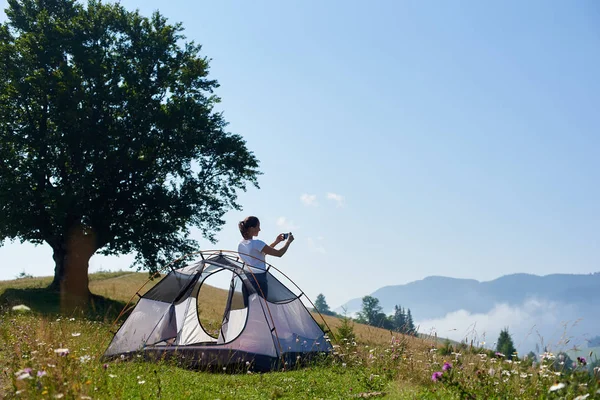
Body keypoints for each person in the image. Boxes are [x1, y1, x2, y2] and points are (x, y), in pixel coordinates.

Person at [238, 216, 294, 299]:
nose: (259, 229)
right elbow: (279, 253)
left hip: (246, 279)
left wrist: (276, 242)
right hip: (259, 280)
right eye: (258, 226)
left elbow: (262, 253)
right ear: (251, 228)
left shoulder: (241, 244)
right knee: (261, 308)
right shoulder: (257, 243)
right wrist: (288, 242)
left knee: (250, 308)